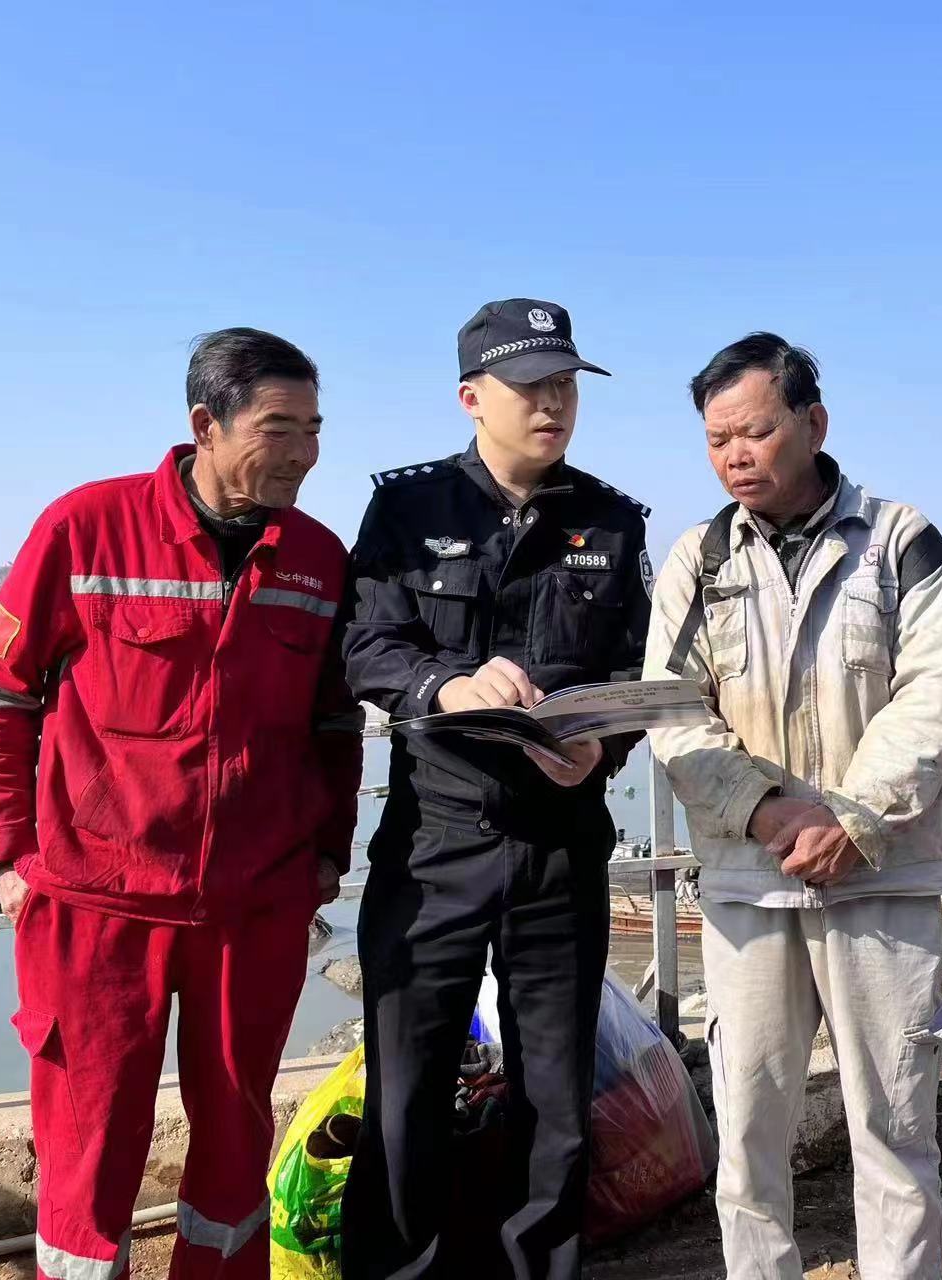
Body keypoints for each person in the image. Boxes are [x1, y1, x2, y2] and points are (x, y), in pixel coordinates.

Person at [0, 328, 363, 1280]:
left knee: (235, 1145)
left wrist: (326, 856)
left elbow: (335, 722)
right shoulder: (86, 528)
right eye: (278, 428)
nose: (303, 453)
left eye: (314, 429)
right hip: (95, 906)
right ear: (205, 424)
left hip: (254, 907)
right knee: (87, 1146)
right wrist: (4, 856)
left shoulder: (317, 559)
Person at [643, 333, 942, 1280]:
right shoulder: (700, 558)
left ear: (813, 423)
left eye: (754, 432)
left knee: (893, 1124)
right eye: (716, 441)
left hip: (879, 876)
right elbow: (673, 710)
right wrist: (758, 810)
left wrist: (853, 818)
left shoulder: (900, 542)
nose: (735, 456)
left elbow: (932, 691)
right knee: (748, 1128)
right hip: (748, 884)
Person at [339, 299, 651, 1280]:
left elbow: (636, 669)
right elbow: (365, 644)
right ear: (472, 397)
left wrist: (604, 745)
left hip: (561, 842)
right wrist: (445, 685)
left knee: (557, 1097)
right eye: (530, 386)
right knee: (407, 1089)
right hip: (435, 842)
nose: (552, 404)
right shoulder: (410, 511)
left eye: (565, 385)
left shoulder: (610, 520)